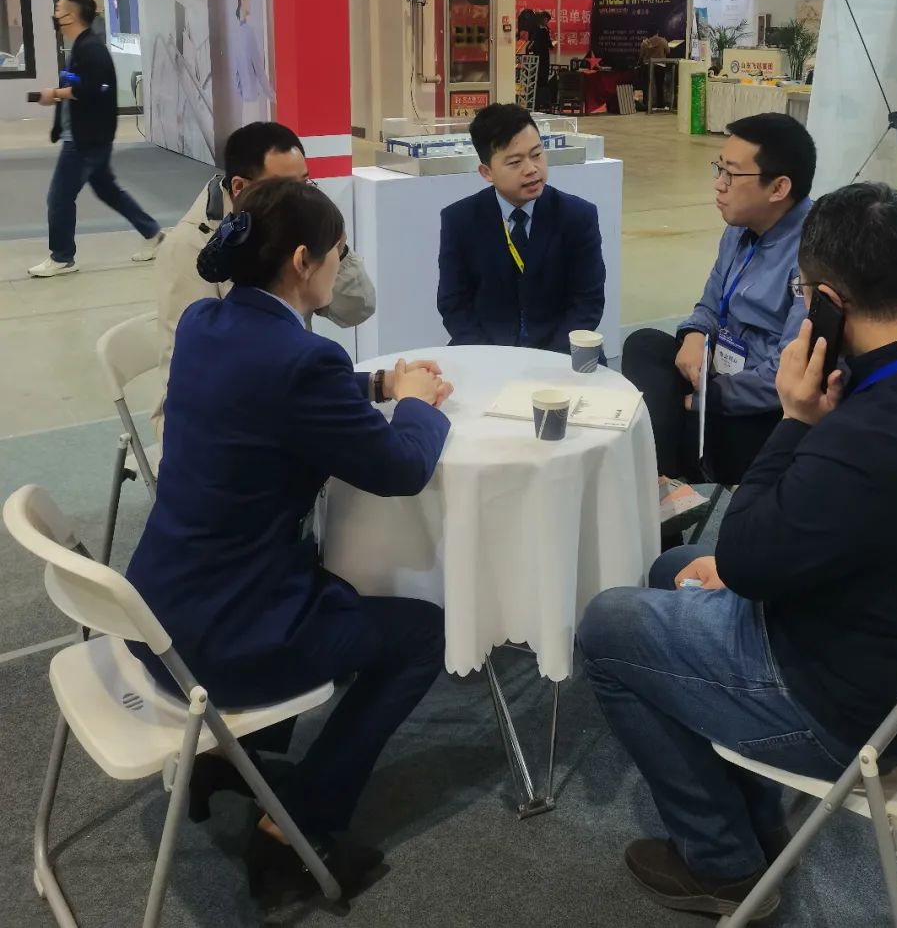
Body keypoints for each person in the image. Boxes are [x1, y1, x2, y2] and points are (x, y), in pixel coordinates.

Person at [579, 182, 897, 921]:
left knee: (606, 626)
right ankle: (755, 818)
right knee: (670, 570)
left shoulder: (872, 435)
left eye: (803, 295)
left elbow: (746, 558)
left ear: (826, 302)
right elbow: (819, 531)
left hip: (847, 710)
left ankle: (722, 863)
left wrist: (795, 419)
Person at [126, 177, 452, 907]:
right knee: (421, 635)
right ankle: (297, 829)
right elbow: (401, 468)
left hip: (155, 616)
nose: (342, 266)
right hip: (226, 640)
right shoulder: (303, 360)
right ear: (304, 261)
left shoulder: (206, 323)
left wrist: (379, 386)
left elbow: (274, 395)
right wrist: (417, 405)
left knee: (332, 586)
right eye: (339, 252)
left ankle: (232, 758)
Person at [622, 113, 815, 517]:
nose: (718, 184)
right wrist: (694, 335)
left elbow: (789, 374)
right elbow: (710, 304)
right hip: (717, 374)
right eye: (719, 169)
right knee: (644, 345)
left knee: (659, 421)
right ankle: (660, 493)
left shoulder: (814, 254)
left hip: (763, 408)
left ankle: (656, 495)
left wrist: (707, 399)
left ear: (779, 187)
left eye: (732, 174)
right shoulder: (740, 228)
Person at [154, 120, 375, 436]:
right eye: (284, 187)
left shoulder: (298, 222)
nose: (300, 198)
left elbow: (356, 310)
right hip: (228, 423)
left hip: (285, 389)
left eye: (305, 183)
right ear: (240, 188)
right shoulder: (188, 247)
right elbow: (194, 374)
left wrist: (336, 251)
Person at [437, 102, 604, 352]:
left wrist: (549, 362)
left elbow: (587, 303)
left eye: (537, 155)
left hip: (561, 353)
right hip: (487, 352)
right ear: (487, 172)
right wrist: (490, 359)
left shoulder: (578, 216)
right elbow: (454, 303)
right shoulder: (459, 220)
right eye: (515, 162)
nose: (531, 169)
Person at [27, 0, 164, 278]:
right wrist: (57, 98)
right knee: (107, 190)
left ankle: (62, 257)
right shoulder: (80, 48)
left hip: (84, 140)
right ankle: (152, 233)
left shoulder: (91, 49)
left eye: (59, 10)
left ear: (71, 15)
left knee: (59, 198)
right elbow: (82, 86)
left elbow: (96, 88)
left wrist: (56, 93)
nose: (55, 15)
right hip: (86, 135)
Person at [233, 0, 274, 123]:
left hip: (245, 106)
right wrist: (273, 96)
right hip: (253, 105)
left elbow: (236, 77)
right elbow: (260, 72)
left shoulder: (237, 33)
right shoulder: (249, 33)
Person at [529, 10, 553, 109]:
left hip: (535, 57)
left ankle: (536, 102)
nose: (547, 22)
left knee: (537, 78)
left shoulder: (534, 29)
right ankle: (543, 101)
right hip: (543, 57)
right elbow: (548, 43)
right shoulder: (543, 30)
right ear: (544, 19)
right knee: (543, 78)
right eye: (547, 20)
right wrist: (551, 45)